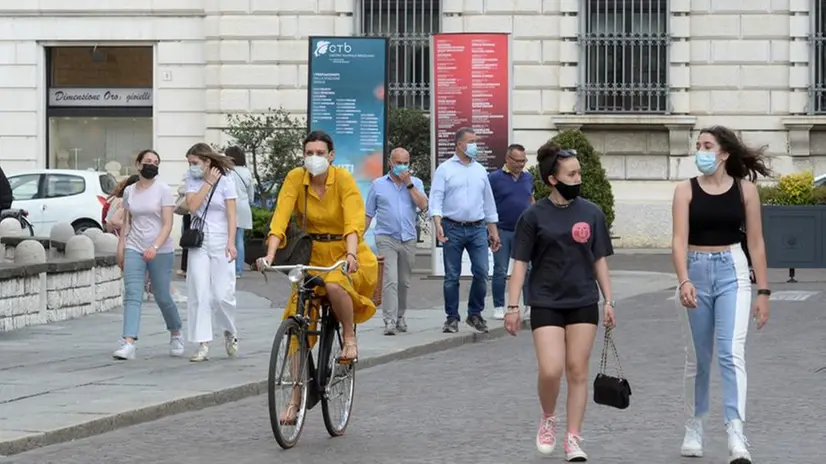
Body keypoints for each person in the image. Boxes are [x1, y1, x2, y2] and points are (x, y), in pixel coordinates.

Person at [503, 142, 616, 461]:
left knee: (577, 370)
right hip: (546, 300)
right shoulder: (533, 216)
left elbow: (599, 260)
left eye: (579, 172)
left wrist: (609, 300)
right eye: (572, 173)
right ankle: (549, 417)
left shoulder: (591, 213)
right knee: (551, 370)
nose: (579, 178)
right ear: (553, 179)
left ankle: (574, 438)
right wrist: (513, 306)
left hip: (583, 299)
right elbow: (520, 264)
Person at [258, 130, 378, 423]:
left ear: (331, 155)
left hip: (344, 253)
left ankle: (348, 337)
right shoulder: (295, 179)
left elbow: (353, 221)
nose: (314, 158)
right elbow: (280, 218)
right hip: (311, 255)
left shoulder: (344, 180)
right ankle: (295, 401)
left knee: (336, 285)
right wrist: (270, 255)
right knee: (296, 326)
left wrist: (350, 255)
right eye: (309, 153)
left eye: (320, 153)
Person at [671, 126, 771, 464]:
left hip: (733, 269)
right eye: (698, 145)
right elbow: (678, 239)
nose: (701, 150)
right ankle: (694, 425)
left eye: (707, 145)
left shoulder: (746, 191)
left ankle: (735, 431)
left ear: (724, 153)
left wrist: (764, 291)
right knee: (697, 358)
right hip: (695, 270)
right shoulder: (684, 190)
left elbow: (755, 242)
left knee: (731, 353)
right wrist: (684, 280)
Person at [429, 127, 500, 334]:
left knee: (482, 271)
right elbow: (436, 199)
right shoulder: (445, 169)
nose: (474, 145)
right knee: (452, 275)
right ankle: (451, 318)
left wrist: (493, 230)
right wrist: (437, 224)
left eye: (475, 141)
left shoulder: (480, 170)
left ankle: (474, 313)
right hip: (452, 226)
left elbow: (488, 203)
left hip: (477, 228)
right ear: (459, 144)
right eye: (470, 141)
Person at [114, 150, 184, 360]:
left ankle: (176, 332)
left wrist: (154, 246)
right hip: (134, 246)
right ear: (138, 165)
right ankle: (128, 342)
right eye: (148, 161)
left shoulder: (163, 190)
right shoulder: (130, 192)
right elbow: (127, 221)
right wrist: (122, 246)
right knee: (133, 294)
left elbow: (168, 223)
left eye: (156, 162)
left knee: (162, 295)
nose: (152, 165)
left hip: (160, 249)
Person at [184, 143, 239, 362]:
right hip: (199, 240)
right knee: (199, 292)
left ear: (207, 162)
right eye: (189, 163)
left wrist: (231, 242)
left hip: (221, 239)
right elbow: (192, 206)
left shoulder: (227, 182)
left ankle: (229, 330)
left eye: (195, 163)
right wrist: (207, 183)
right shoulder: (193, 181)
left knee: (222, 294)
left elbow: (232, 215)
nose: (192, 167)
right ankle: (202, 343)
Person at [365, 147, 428, 335]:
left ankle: (400, 316)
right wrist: (358, 235)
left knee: (404, 282)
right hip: (386, 237)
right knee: (390, 280)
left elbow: (424, 205)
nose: (401, 166)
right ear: (390, 162)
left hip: (408, 238)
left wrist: (408, 184)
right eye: (398, 162)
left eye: (405, 163)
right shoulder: (378, 184)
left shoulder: (415, 183)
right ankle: (389, 321)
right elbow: (369, 213)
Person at [488, 143, 534, 320]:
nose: (521, 164)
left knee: (528, 269)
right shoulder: (494, 178)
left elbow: (530, 199)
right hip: (502, 229)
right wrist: (491, 230)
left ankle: (529, 305)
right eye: (517, 161)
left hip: (524, 231)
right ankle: (499, 306)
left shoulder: (528, 178)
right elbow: (487, 203)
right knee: (500, 269)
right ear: (507, 159)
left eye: (524, 161)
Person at [225, 146, 254, 278]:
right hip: (243, 206)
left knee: (228, 237)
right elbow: (251, 193)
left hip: (229, 205)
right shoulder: (247, 172)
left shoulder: (227, 171)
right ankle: (239, 269)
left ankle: (228, 266)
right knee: (239, 239)